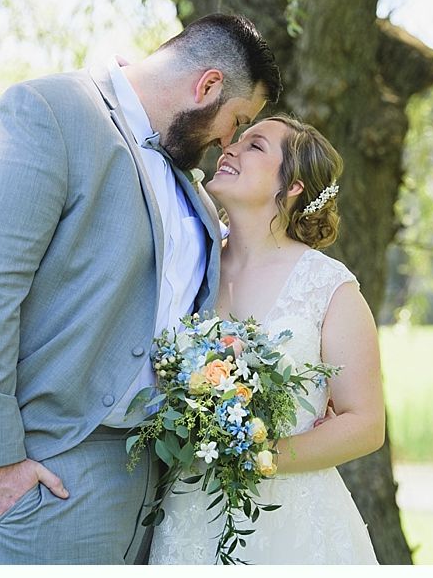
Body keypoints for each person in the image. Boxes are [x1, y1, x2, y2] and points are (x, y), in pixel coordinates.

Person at [0, 14, 282, 564]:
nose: (228, 142)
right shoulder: (47, 113)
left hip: (146, 477)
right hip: (44, 470)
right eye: (236, 120)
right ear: (207, 86)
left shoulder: (188, 183)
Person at [148, 114, 385, 564]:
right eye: (237, 141)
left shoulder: (327, 286)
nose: (229, 148)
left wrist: (258, 454)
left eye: (254, 146)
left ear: (293, 186)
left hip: (289, 524)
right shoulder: (191, 265)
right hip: (188, 510)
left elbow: (365, 423)